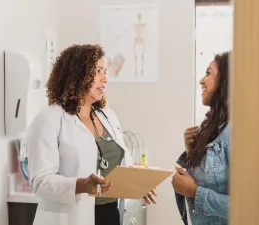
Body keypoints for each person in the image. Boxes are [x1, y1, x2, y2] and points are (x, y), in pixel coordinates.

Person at [27, 44, 157, 225]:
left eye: (105, 71)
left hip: (110, 215)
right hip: (70, 218)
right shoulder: (49, 119)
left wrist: (137, 185)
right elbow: (40, 182)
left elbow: (121, 165)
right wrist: (80, 185)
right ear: (77, 74)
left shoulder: (108, 116)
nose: (105, 79)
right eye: (98, 71)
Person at [172, 51, 231, 225]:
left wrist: (195, 193)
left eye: (208, 73)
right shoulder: (215, 127)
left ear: (224, 81)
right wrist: (193, 152)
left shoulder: (236, 131)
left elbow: (248, 206)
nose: (201, 80)